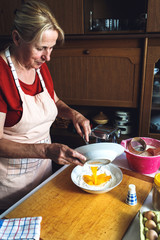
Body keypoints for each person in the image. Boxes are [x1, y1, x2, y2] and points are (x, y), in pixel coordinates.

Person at [0, 0, 91, 212]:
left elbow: (54, 102)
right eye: (41, 48)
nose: (47, 57)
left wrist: (73, 114)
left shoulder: (39, 67)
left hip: (42, 174)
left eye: (51, 48)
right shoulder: (2, 75)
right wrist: (47, 150)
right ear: (16, 38)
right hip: (10, 185)